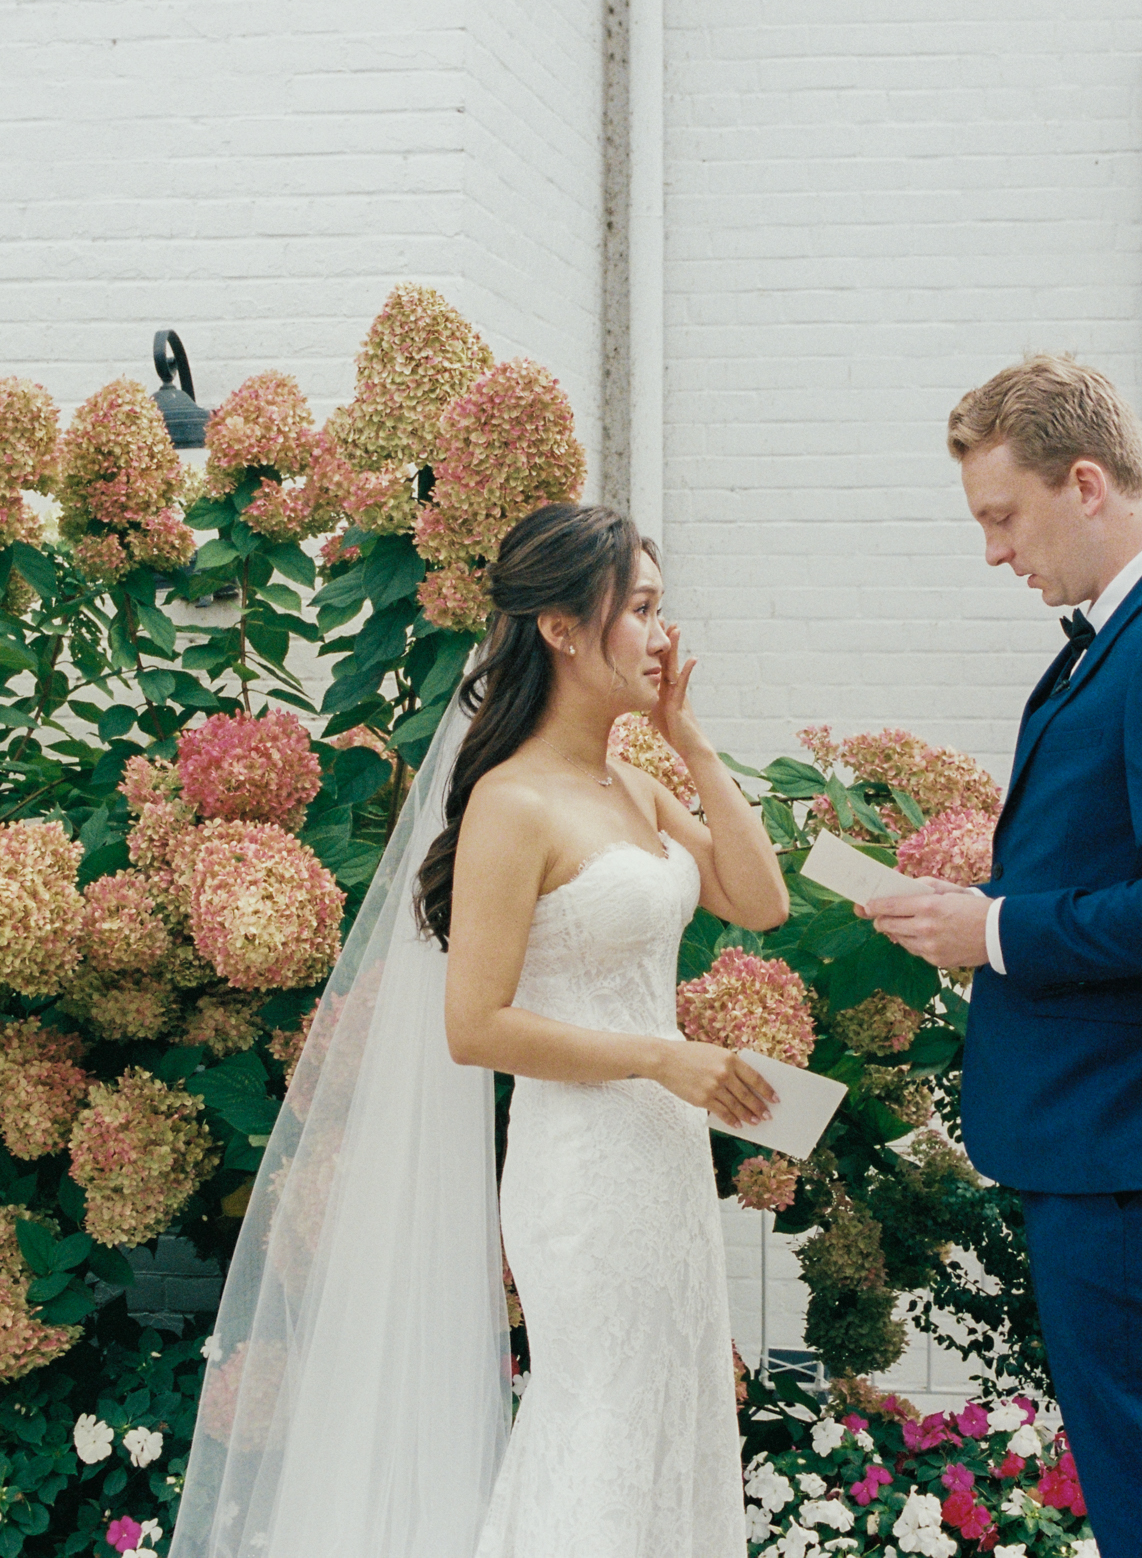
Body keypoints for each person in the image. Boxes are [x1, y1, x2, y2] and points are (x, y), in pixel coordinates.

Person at [169, 501, 787, 1558]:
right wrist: (658, 1053)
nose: (659, 633)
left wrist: (686, 739)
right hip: (584, 1170)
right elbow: (476, 1023)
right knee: (596, 1424)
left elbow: (760, 898)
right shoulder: (511, 803)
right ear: (559, 625)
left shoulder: (632, 782)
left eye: (658, 607)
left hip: (663, 1160)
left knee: (671, 1420)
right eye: (638, 609)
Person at [867, 356, 1142, 1556]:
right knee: (1134, 1471)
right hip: (1120, 1129)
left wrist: (990, 931)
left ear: (1087, 482)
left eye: (1003, 517)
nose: (995, 552)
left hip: (1133, 1136)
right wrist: (985, 903)